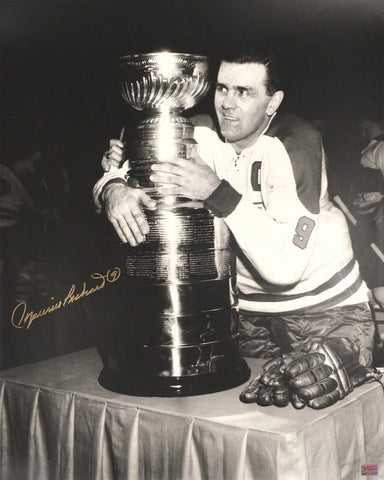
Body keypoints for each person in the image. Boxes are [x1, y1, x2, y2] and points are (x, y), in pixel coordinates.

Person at [93, 52, 378, 408]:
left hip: (325, 311)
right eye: (222, 88)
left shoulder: (295, 140)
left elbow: (283, 270)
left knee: (320, 418)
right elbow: (125, 152)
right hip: (246, 318)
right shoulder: (200, 132)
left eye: (244, 92)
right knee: (241, 419)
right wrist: (112, 188)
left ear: (273, 101)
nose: (227, 104)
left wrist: (216, 191)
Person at [349, 110, 384, 309]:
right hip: (366, 221)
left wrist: (376, 200)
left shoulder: (381, 148)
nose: (361, 129)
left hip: (378, 222)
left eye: (364, 124)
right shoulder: (371, 148)